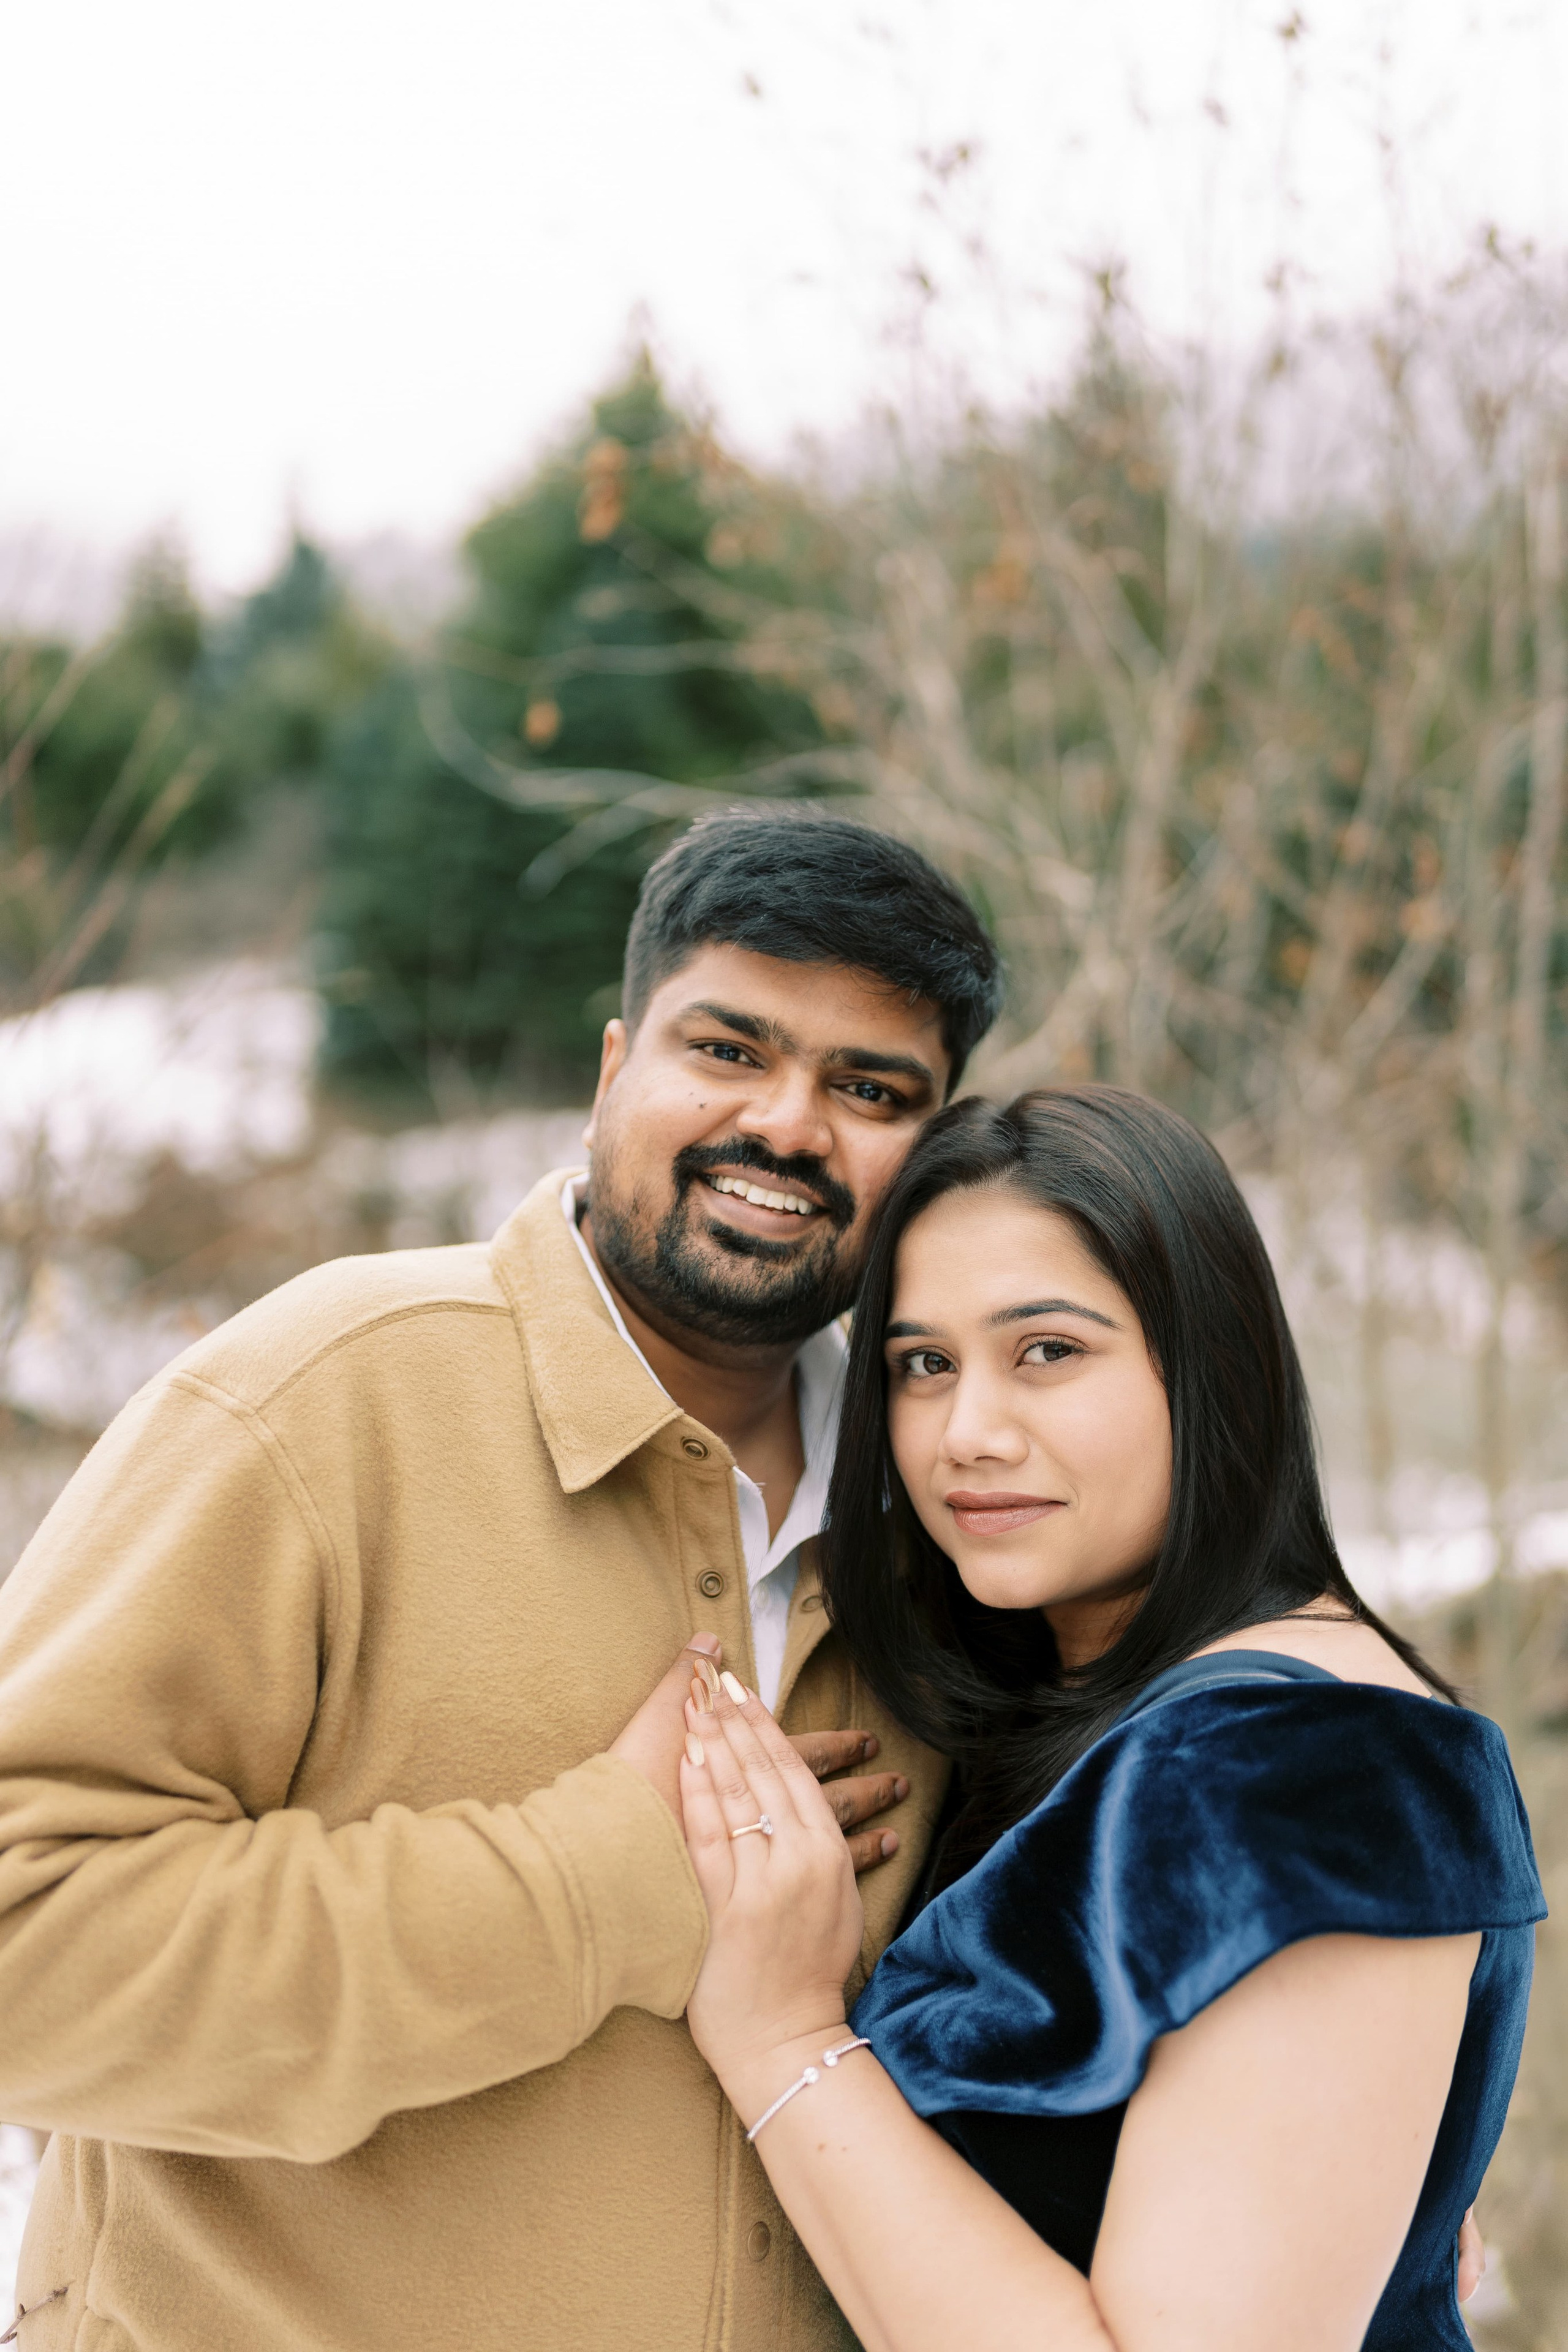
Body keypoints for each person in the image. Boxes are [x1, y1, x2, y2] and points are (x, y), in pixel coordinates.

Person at [0, 810, 1001, 2352]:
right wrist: (599, 1886)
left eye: (870, 1091)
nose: (792, 1126)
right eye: (728, 1050)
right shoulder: (322, 1399)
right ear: (614, 1067)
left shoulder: (951, 1509)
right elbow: (27, 1950)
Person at [673, 1086, 1544, 2352]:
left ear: (1211, 1371)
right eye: (922, 1365)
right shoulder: (1102, 1715)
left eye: (1047, 1352)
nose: (966, 1433)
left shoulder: (1301, 1768)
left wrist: (781, 2039)